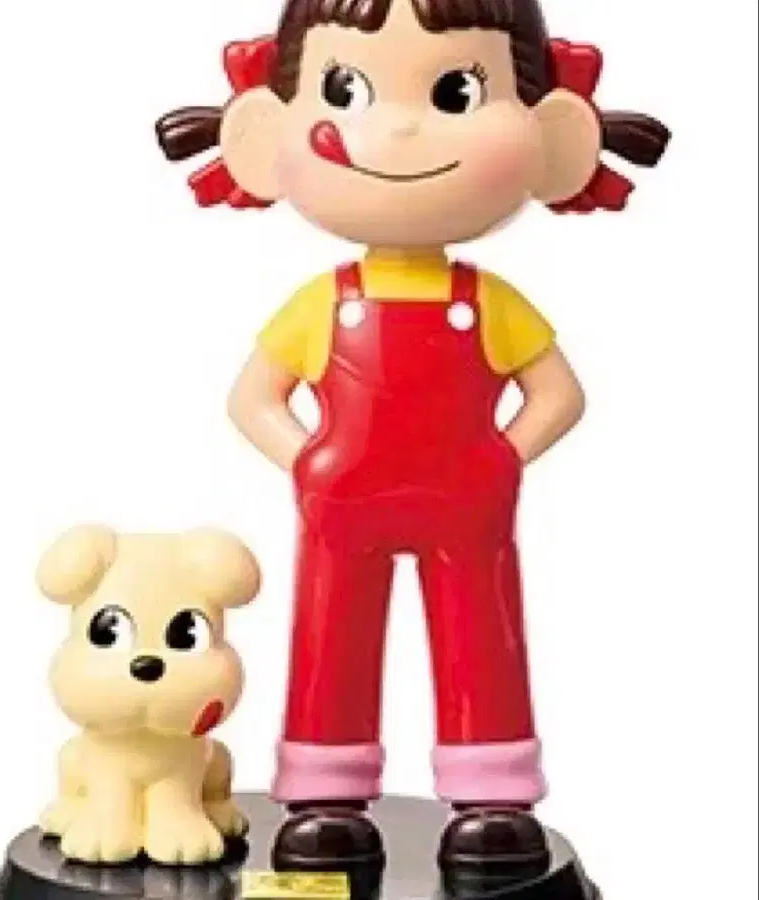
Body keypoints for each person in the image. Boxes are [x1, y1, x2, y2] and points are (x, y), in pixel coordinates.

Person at [157, 0, 669, 878]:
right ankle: (324, 791)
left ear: (554, 133)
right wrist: (308, 462)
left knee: (482, 636)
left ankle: (493, 793)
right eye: (346, 90)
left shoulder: (488, 301)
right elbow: (252, 399)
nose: (398, 128)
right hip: (343, 505)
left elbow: (559, 395)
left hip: (466, 504)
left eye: (456, 92)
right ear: (265, 130)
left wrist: (502, 456)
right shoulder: (326, 301)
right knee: (331, 636)